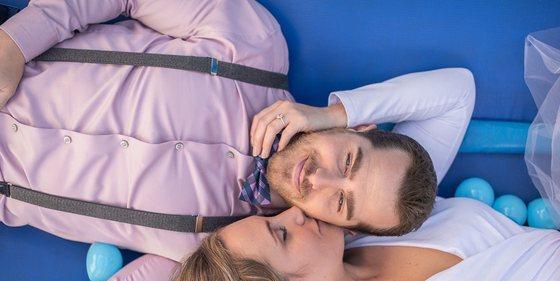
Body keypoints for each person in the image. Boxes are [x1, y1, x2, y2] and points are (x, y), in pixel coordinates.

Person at [0, 0, 473, 262]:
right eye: (347, 160)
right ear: (358, 128)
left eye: (341, 202)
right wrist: (14, 44)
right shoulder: (255, 47)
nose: (320, 179)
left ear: (342, 228)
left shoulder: (233, 248)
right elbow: (457, 91)